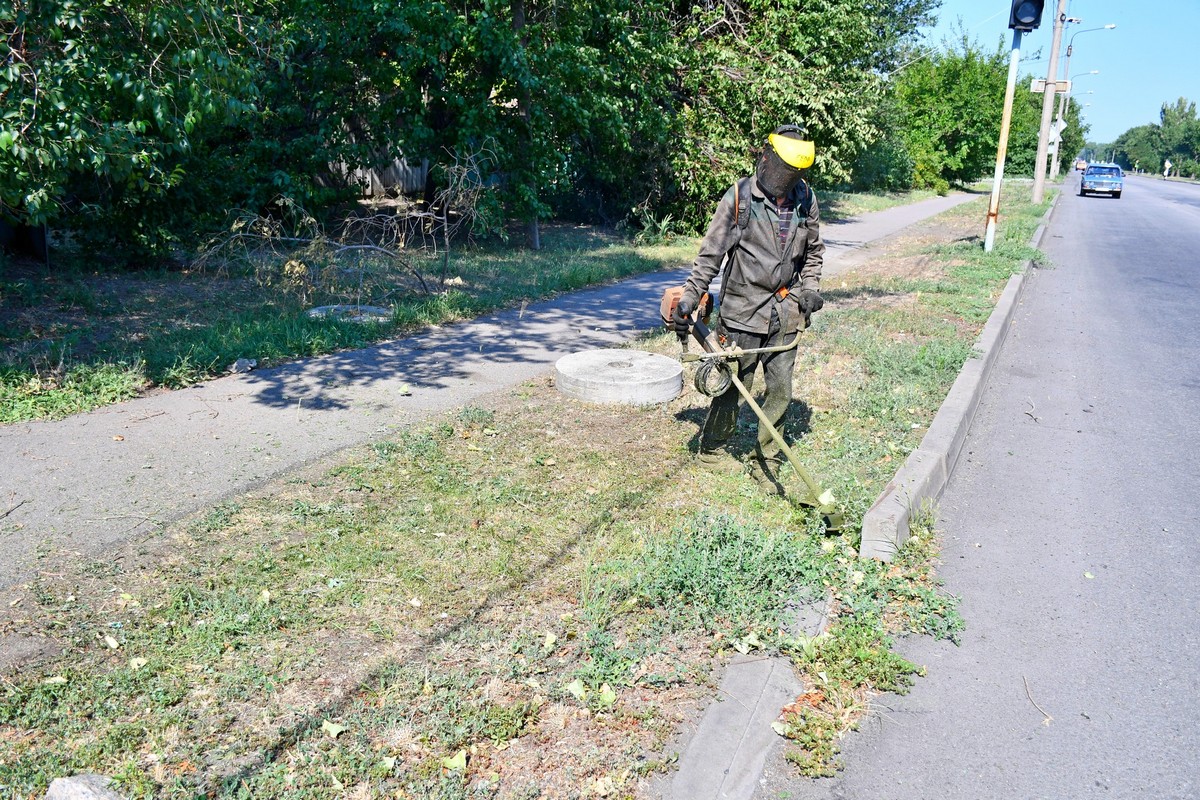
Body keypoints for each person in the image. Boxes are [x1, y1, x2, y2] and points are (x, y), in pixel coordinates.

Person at [673, 124, 826, 492]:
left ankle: (766, 461)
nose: (788, 179)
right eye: (784, 170)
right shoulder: (740, 198)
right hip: (741, 307)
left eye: (795, 173)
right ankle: (712, 448)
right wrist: (692, 295)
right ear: (767, 156)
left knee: (780, 389)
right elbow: (711, 254)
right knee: (734, 383)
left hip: (786, 310)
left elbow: (815, 253)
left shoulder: (806, 199)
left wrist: (810, 290)